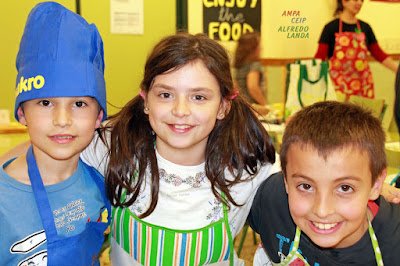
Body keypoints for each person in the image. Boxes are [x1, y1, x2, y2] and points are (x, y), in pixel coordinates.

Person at [79, 32, 280, 265]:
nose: (180, 110)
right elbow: (44, 150)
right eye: (165, 95)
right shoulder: (115, 145)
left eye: (198, 97)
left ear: (223, 106)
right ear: (146, 100)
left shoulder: (245, 171)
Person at [0, 2, 110, 265]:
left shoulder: (101, 178)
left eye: (79, 104)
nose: (62, 120)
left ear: (99, 117)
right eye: (45, 103)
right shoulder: (4, 199)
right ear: (22, 114)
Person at [248, 101, 400, 265]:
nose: (322, 211)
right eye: (306, 186)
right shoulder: (270, 200)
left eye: (345, 188)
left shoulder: (394, 244)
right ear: (286, 180)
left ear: (376, 185)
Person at [315, 0, 398, 100]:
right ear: (344, 2)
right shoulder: (331, 28)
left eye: (361, 0)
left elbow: (379, 54)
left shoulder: (365, 27)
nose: (359, 3)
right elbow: (319, 57)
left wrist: (398, 70)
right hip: (338, 85)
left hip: (363, 85)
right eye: (355, 0)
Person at [233, 32, 267, 106]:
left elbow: (236, 86)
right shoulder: (254, 65)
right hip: (255, 106)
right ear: (252, 48)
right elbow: (252, 87)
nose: (261, 48)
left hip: (244, 104)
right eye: (258, 45)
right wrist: (265, 105)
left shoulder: (240, 65)